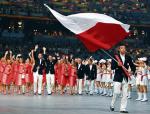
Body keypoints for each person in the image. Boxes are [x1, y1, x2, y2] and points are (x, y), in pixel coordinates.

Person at [110, 44, 135, 113]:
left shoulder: (128, 57)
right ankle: (112, 104)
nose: (123, 49)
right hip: (118, 77)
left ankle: (123, 108)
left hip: (125, 77)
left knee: (125, 94)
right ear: (119, 49)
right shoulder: (115, 57)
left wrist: (132, 71)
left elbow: (132, 66)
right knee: (116, 92)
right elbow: (112, 67)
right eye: (122, 48)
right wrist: (117, 65)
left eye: (124, 48)